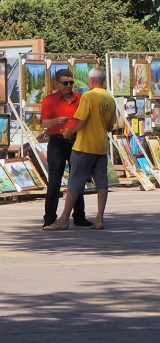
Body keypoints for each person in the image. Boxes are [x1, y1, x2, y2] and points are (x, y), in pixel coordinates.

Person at [47, 68, 117, 231]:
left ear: (92, 80)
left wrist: (69, 131)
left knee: (75, 182)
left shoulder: (88, 96)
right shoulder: (110, 98)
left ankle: (64, 219)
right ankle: (99, 219)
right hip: (101, 145)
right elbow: (110, 126)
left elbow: (81, 121)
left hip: (85, 145)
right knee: (101, 182)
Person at [39, 68, 90, 228]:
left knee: (77, 179)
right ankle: (49, 218)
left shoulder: (80, 98)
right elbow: (44, 123)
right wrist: (56, 121)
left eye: (71, 83)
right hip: (57, 141)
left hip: (76, 140)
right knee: (54, 180)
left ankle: (79, 216)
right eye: (65, 83)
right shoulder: (49, 100)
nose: (69, 86)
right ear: (57, 84)